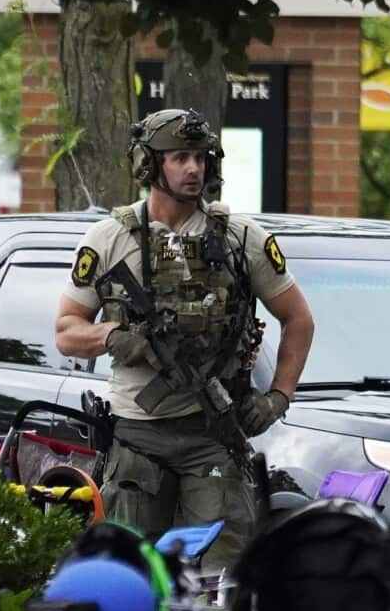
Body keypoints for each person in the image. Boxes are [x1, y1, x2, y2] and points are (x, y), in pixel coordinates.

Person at [54, 108, 314, 570]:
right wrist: (114, 337)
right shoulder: (110, 239)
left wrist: (278, 397)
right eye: (179, 158)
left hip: (213, 434)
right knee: (128, 571)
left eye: (200, 158)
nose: (193, 168)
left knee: (221, 577)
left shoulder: (240, 239)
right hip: (138, 434)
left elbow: (298, 320)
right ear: (149, 165)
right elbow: (67, 331)